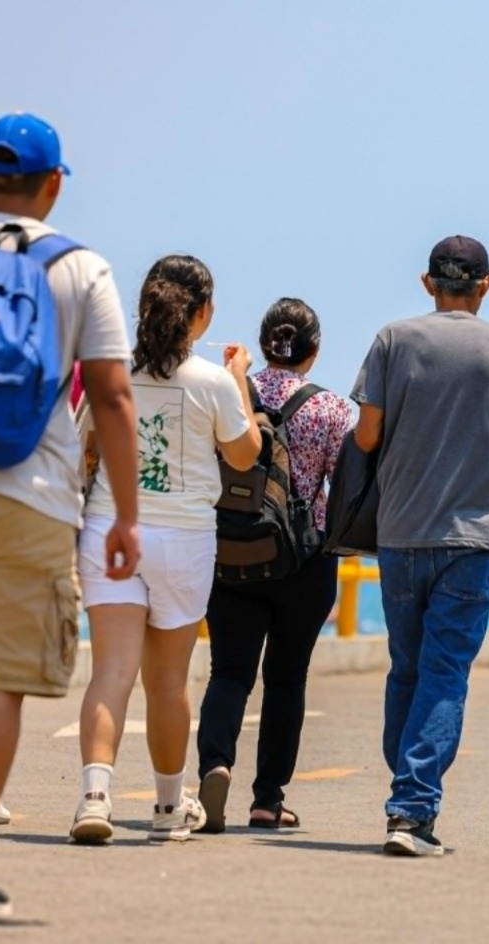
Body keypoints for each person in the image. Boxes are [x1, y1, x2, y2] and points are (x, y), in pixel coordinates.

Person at [0, 113, 138, 920]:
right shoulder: (82, 269)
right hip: (30, 495)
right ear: (55, 184)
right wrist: (125, 516)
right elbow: (112, 396)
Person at [352, 235, 489, 856]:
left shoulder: (392, 340)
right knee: (444, 673)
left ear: (427, 282)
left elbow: (367, 435)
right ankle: (411, 809)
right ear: (487, 283)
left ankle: (407, 786)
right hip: (475, 536)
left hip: (402, 532)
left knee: (407, 668)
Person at [70, 255, 261, 846]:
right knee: (168, 681)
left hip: (112, 527)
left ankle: (94, 798)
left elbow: (83, 445)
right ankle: (167, 805)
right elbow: (245, 455)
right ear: (201, 313)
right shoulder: (211, 381)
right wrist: (238, 379)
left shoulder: (113, 371)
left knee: (111, 672)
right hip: (183, 539)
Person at [196, 299, 354, 832]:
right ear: (314, 350)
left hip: (233, 549)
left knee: (229, 672)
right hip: (303, 559)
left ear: (264, 344)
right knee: (287, 679)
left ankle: (215, 765)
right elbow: (340, 487)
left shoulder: (230, 391)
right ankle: (267, 800)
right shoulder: (330, 408)